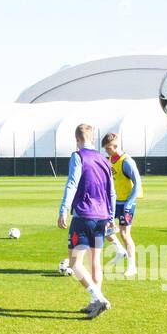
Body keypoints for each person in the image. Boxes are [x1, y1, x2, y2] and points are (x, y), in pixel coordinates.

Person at [58, 124, 115, 318]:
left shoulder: (78, 156)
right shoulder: (105, 160)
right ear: (93, 138)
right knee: (95, 262)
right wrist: (111, 217)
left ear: (77, 139)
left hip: (83, 216)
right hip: (101, 218)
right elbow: (112, 192)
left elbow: (72, 184)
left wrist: (63, 210)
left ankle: (99, 297)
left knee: (74, 263)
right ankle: (94, 303)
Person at [103, 132, 142, 277]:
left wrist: (129, 204)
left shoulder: (127, 161)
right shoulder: (111, 160)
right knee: (105, 229)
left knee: (125, 234)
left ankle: (132, 267)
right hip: (113, 203)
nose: (107, 151)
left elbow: (138, 183)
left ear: (115, 145)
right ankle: (120, 251)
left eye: (108, 148)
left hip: (126, 204)